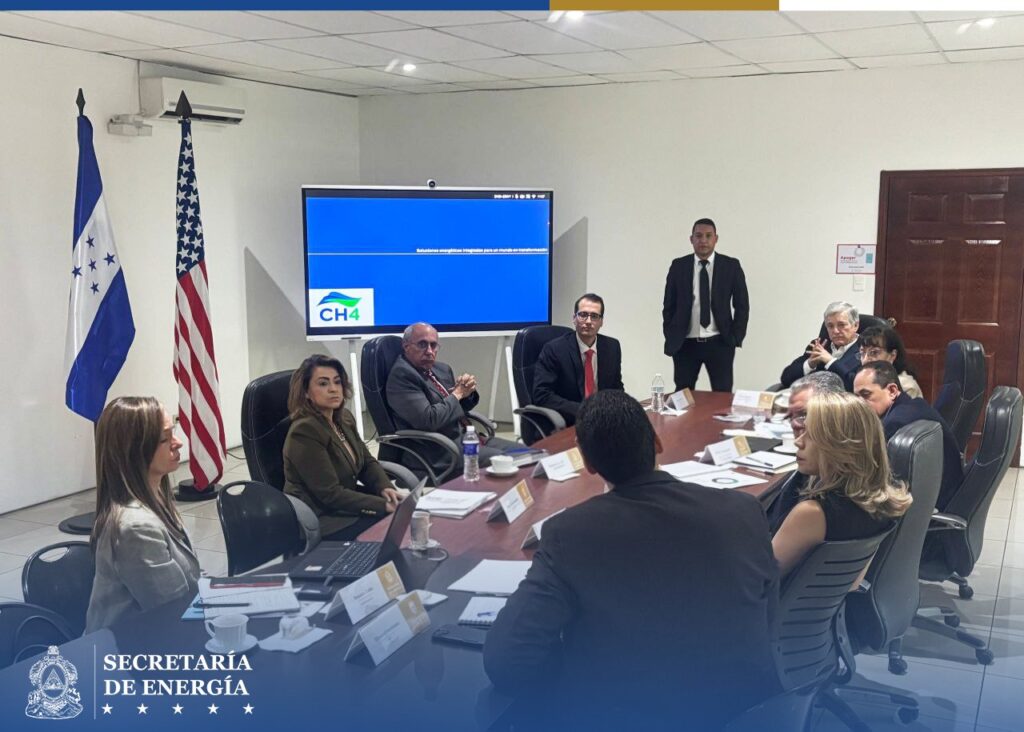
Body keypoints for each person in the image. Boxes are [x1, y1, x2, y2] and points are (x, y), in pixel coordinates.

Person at [484, 390, 778, 731]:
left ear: (588, 462)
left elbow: (507, 662)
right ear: (656, 442)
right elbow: (768, 612)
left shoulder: (570, 533)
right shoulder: (743, 510)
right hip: (743, 711)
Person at [85, 397, 200, 633]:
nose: (178, 442)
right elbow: (173, 611)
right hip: (131, 649)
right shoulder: (136, 528)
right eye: (165, 438)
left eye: (173, 432)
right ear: (134, 451)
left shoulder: (155, 497)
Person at [773, 391, 912, 577]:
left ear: (841, 446)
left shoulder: (812, 513)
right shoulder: (883, 501)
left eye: (811, 435)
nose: (798, 442)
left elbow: (759, 579)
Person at [283, 354, 401, 540]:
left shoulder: (344, 418)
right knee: (392, 526)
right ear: (306, 392)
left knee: (406, 517)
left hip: (346, 503)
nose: (333, 389)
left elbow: (367, 462)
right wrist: (382, 505)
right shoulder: (305, 431)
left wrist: (385, 488)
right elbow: (330, 494)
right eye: (323, 383)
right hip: (322, 517)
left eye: (337, 382)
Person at [387, 322, 518, 477]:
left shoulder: (441, 369)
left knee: (528, 453)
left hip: (467, 438)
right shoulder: (402, 376)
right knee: (506, 462)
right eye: (422, 344)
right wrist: (457, 394)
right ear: (406, 346)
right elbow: (429, 420)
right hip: (439, 452)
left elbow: (457, 408)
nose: (429, 351)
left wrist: (467, 391)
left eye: (433, 345)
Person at [853, 361, 963, 510]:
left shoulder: (894, 424)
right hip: (947, 497)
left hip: (931, 508)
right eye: (856, 397)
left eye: (866, 395)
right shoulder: (915, 405)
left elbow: (870, 477)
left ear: (892, 390)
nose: (859, 403)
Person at [662, 217, 749, 392]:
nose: (703, 240)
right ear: (691, 239)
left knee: (722, 394)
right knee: (683, 395)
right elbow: (669, 305)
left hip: (720, 342)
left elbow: (742, 305)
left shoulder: (731, 266)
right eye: (699, 236)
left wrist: (735, 337)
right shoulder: (679, 266)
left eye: (708, 236)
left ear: (716, 239)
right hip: (685, 343)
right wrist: (671, 333)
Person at [765, 371, 845, 534]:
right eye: (791, 416)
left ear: (833, 413)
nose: (794, 425)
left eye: (803, 415)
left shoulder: (822, 502)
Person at [532, 293, 624, 426]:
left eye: (594, 316)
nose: (588, 321)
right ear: (574, 319)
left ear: (601, 322)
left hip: (602, 420)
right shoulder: (554, 350)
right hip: (568, 420)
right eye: (583, 315)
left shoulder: (612, 347)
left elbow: (616, 388)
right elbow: (542, 395)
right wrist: (584, 411)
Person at [780, 301, 863, 390]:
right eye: (830, 326)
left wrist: (830, 362)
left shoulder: (866, 350)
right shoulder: (819, 344)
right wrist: (809, 364)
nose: (835, 331)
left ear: (855, 325)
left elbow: (856, 387)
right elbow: (786, 379)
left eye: (841, 325)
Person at [857, 325, 923, 398]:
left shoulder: (906, 386)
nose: (865, 360)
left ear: (892, 355)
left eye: (874, 353)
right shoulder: (863, 379)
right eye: (862, 353)